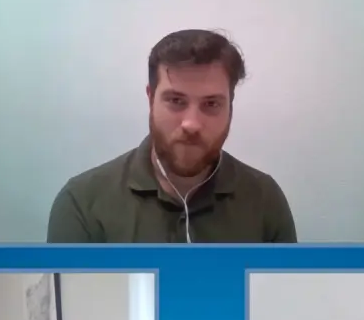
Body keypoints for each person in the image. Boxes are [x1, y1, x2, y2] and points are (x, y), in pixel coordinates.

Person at [46, 28, 297, 244]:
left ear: (230, 106)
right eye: (176, 101)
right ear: (150, 99)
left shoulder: (265, 200)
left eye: (211, 104)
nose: (191, 124)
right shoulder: (82, 203)